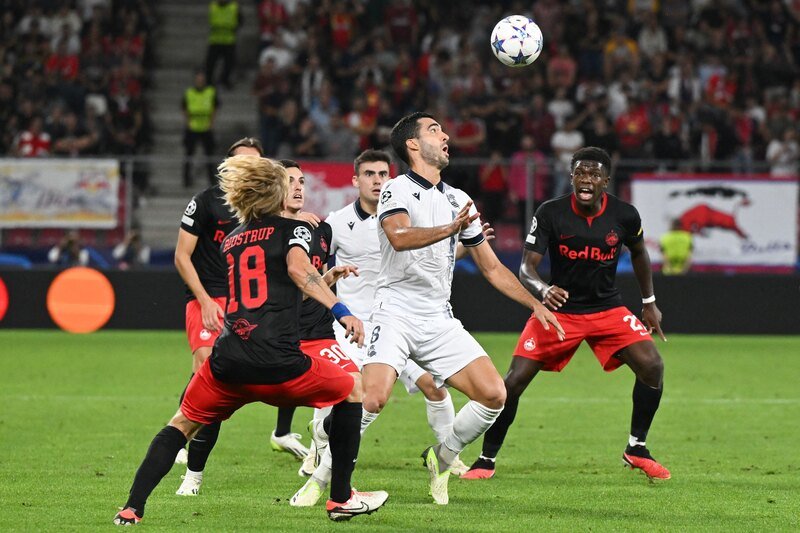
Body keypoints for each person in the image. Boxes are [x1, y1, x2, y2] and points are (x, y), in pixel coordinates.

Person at [113, 155, 388, 526]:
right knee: (354, 389)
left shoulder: (233, 239)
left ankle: (132, 507)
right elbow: (296, 269)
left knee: (180, 424)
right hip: (279, 364)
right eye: (288, 183)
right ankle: (340, 498)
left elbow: (280, 291)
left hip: (228, 362)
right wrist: (341, 310)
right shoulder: (296, 230)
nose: (295, 188)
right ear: (274, 192)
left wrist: (327, 279)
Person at [358, 112, 564, 506]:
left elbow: (490, 266)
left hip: (437, 317)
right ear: (413, 145)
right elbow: (399, 237)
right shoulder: (395, 189)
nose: (446, 135)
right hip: (395, 312)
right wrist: (450, 231)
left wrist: (534, 303)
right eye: (434, 130)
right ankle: (323, 475)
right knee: (374, 399)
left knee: (494, 393)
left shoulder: (459, 200)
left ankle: (442, 456)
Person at [462, 146, 670, 482]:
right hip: (560, 311)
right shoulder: (550, 213)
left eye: (594, 173)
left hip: (608, 309)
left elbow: (640, 252)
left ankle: (636, 448)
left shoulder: (625, 215)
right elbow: (526, 268)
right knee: (512, 383)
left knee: (652, 365)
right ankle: (486, 458)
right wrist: (543, 290)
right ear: (571, 177)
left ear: (606, 180)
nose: (586, 178)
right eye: (580, 172)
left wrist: (649, 301)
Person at [290, 149, 476, 507]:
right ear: (355, 180)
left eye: (383, 174)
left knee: (434, 390)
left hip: (397, 322)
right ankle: (322, 446)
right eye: (370, 174)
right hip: (353, 329)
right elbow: (308, 265)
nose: (378, 180)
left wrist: (466, 242)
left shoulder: (406, 218)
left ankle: (447, 459)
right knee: (356, 396)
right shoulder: (337, 222)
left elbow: (436, 256)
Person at [173, 138, 307, 496]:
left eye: (258, 163)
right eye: (243, 163)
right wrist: (203, 300)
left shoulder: (269, 208)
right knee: (206, 364)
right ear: (227, 168)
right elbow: (182, 256)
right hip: (210, 296)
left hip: (248, 301)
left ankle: (283, 432)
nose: (251, 169)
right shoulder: (205, 202)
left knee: (284, 358)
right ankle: (184, 438)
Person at [182, 70, 218, 188]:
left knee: (209, 154)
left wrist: (211, 124)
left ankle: (211, 179)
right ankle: (186, 179)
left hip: (206, 128)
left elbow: (214, 108)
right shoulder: (189, 92)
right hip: (192, 127)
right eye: (198, 78)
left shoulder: (210, 92)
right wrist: (188, 122)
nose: (200, 81)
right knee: (188, 154)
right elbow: (184, 108)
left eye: (202, 79)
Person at [206, 0, 240, 90]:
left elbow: (240, 21)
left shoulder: (234, 7)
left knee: (229, 63)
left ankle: (224, 79)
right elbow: (211, 20)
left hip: (229, 40)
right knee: (210, 63)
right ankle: (209, 81)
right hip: (215, 40)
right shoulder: (213, 6)